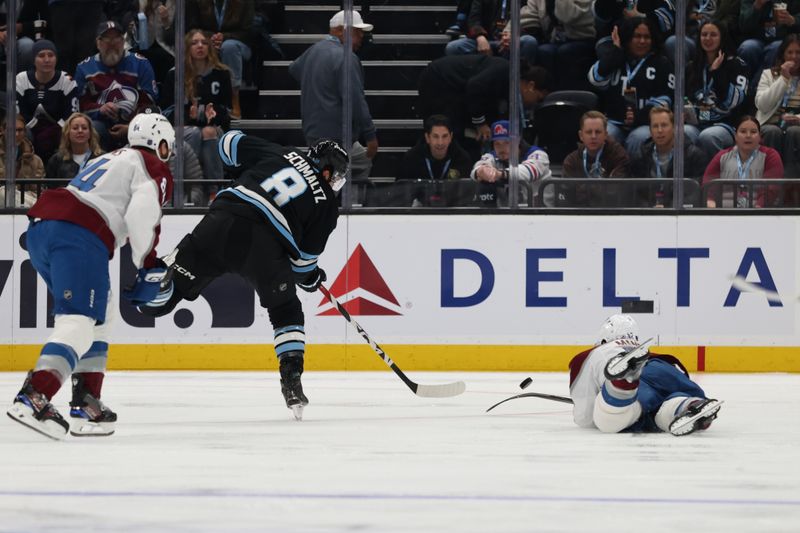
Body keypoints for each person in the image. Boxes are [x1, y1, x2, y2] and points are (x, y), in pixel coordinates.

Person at [138, 131, 348, 421]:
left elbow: (228, 143)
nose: (334, 183)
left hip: (221, 221)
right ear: (327, 170)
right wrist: (312, 279)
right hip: (263, 248)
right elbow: (302, 265)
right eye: (335, 176)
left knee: (169, 288)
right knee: (286, 309)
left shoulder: (281, 152)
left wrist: (237, 172)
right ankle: (291, 381)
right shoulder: (327, 204)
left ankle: (145, 291)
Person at [6, 111, 175, 440]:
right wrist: (147, 263)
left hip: (47, 228)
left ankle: (86, 400)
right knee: (80, 321)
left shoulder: (113, 156)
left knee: (102, 313)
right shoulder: (153, 165)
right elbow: (142, 213)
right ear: (162, 143)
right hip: (78, 234)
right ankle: (35, 395)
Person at [569, 314, 723, 436]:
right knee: (658, 414)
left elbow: (585, 417)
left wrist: (597, 407)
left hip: (639, 385)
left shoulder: (594, 354)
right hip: (664, 369)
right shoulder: (644, 350)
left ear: (602, 338)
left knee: (609, 420)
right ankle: (688, 405)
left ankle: (624, 383)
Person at [289, 10, 377, 181]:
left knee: (352, 164)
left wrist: (317, 84)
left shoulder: (314, 50)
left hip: (315, 132)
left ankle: (338, 199)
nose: (361, 38)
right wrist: (370, 135)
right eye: (356, 32)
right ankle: (339, 204)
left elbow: (294, 69)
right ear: (339, 30)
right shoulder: (346, 57)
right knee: (333, 181)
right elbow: (355, 101)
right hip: (336, 136)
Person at [417, 55, 551, 156]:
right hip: (439, 81)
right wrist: (480, 123)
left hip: (454, 88)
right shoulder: (506, 71)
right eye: (538, 98)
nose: (535, 103)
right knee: (444, 130)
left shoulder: (509, 85)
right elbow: (475, 86)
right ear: (531, 86)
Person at [588, 16, 680, 156]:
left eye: (647, 37)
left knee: (637, 138)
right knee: (606, 136)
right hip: (615, 121)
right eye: (637, 36)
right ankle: (606, 176)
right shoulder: (616, 58)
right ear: (627, 37)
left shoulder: (662, 63)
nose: (642, 41)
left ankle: (636, 177)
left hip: (646, 123)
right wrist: (616, 51)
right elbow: (595, 80)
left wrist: (640, 116)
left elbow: (665, 100)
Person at [161, 29, 232, 202]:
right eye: (194, 43)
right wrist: (187, 115)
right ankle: (188, 187)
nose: (200, 46)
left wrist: (213, 114)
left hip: (213, 129)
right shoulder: (175, 74)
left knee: (208, 132)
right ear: (186, 48)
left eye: (204, 42)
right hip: (182, 128)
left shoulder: (221, 73)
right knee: (193, 132)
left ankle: (215, 189)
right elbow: (165, 112)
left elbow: (228, 112)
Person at [74, 20, 159, 151]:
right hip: (101, 125)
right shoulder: (84, 68)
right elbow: (80, 106)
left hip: (135, 124)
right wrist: (99, 110)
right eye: (107, 40)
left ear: (123, 41)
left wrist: (132, 126)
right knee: (94, 128)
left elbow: (150, 104)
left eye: (117, 39)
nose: (112, 45)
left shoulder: (141, 64)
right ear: (98, 43)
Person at [685, 21, 750, 160]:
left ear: (722, 38)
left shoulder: (737, 64)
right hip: (697, 123)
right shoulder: (692, 66)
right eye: (704, 34)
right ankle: (690, 179)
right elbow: (685, 97)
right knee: (682, 133)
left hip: (727, 124)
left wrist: (716, 73)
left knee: (708, 136)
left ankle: (717, 180)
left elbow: (735, 100)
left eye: (713, 35)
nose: (708, 39)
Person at [186, 0, 255, 119]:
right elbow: (192, 26)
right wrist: (210, 38)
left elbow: (249, 32)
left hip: (239, 44)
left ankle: (234, 97)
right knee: (199, 44)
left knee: (229, 47)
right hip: (208, 40)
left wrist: (225, 37)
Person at [16, 39, 79, 162]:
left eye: (51, 55)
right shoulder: (21, 79)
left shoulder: (67, 80)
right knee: (20, 132)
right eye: (41, 56)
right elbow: (19, 114)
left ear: (56, 59)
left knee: (71, 131)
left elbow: (72, 115)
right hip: (29, 130)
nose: (46, 60)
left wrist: (54, 131)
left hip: (59, 130)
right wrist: (36, 129)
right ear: (33, 59)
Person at [630, 108, 708, 207]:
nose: (659, 130)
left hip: (680, 214)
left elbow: (694, 194)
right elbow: (635, 194)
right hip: (649, 215)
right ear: (650, 130)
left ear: (674, 128)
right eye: (655, 126)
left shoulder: (694, 156)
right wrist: (650, 208)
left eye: (664, 125)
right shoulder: (640, 157)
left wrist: (668, 208)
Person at [703, 115, 784, 207]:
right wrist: (711, 206)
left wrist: (757, 211)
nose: (748, 136)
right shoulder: (722, 156)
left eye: (753, 132)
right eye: (743, 131)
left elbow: (771, 189)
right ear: (735, 136)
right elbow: (709, 186)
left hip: (758, 214)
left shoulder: (770, 156)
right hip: (723, 214)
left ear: (759, 137)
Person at [470, 119, 552, 206]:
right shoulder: (492, 156)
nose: (502, 148)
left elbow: (528, 172)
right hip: (507, 215)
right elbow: (478, 167)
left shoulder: (538, 154)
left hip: (543, 214)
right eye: (497, 143)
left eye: (507, 142)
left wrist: (500, 174)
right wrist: (481, 171)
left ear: (518, 140)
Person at [396, 114, 473, 206]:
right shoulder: (412, 158)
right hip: (420, 212)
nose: (440, 142)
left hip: (452, 211)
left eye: (444, 136)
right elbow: (400, 194)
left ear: (451, 137)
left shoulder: (462, 159)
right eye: (435, 136)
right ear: (427, 138)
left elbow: (467, 196)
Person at [560, 110, 630, 207]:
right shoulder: (571, 161)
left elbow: (614, 193)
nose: (593, 136)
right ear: (581, 135)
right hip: (579, 215)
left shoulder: (619, 156)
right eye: (589, 132)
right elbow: (566, 197)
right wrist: (600, 188)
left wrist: (582, 188)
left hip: (612, 214)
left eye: (598, 132)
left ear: (606, 134)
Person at [755, 33, 800, 178]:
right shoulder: (768, 74)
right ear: (783, 55)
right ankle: (771, 184)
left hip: (797, 125)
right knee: (771, 131)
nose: (794, 57)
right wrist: (783, 78)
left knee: (794, 131)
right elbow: (762, 105)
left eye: (798, 52)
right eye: (790, 52)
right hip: (771, 123)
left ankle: (791, 184)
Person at [445, 0, 538, 65]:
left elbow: (530, 20)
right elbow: (473, 18)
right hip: (487, 39)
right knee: (453, 47)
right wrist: (480, 36)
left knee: (529, 41)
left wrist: (514, 35)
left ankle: (520, 83)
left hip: (514, 39)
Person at [737, 0, 800, 83]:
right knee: (748, 47)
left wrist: (793, 20)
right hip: (756, 39)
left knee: (775, 48)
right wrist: (757, 6)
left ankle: (758, 87)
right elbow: (743, 26)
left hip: (783, 40)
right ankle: (742, 85)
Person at [0, 115, 46, 207]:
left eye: (20, 130)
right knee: (3, 191)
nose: (16, 134)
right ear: (2, 131)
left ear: (25, 132)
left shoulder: (36, 161)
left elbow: (39, 191)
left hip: (25, 205)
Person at [45, 112, 104, 180]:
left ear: (90, 133)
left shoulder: (102, 158)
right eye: (75, 128)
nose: (80, 131)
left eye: (84, 128)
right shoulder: (56, 160)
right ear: (67, 133)